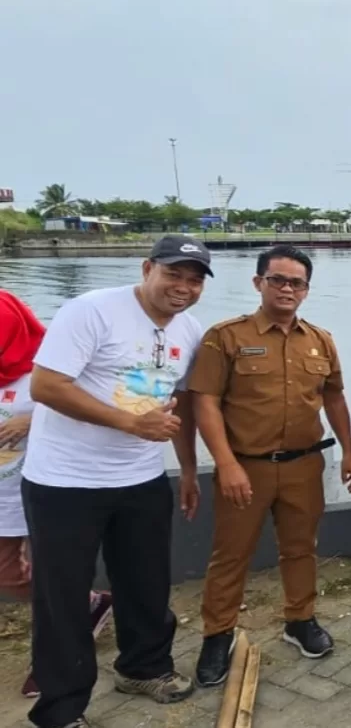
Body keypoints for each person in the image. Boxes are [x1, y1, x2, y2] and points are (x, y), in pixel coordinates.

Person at [22, 236, 211, 728]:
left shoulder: (189, 331)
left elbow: (182, 404)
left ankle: (142, 667)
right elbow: (46, 386)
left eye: (194, 280)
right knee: (62, 598)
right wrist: (129, 424)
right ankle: (61, 711)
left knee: (145, 582)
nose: (183, 287)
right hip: (64, 482)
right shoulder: (91, 311)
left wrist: (188, 468)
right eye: (174, 274)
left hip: (141, 478)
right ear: (147, 268)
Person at [187, 245, 351, 687]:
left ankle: (300, 620)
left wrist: (350, 450)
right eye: (277, 280)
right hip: (246, 467)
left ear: (306, 290)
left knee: (301, 548)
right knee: (231, 555)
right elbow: (204, 402)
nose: (286, 289)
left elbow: (334, 397)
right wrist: (224, 464)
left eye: (296, 283)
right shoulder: (225, 337)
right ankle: (217, 634)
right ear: (258, 282)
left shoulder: (320, 340)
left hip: (304, 465)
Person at [0, 291, 114, 699]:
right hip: (3, 493)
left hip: (47, 484)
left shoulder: (50, 362)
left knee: (53, 578)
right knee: (10, 573)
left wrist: (33, 417)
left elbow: (95, 401)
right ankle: (88, 605)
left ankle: (52, 664)